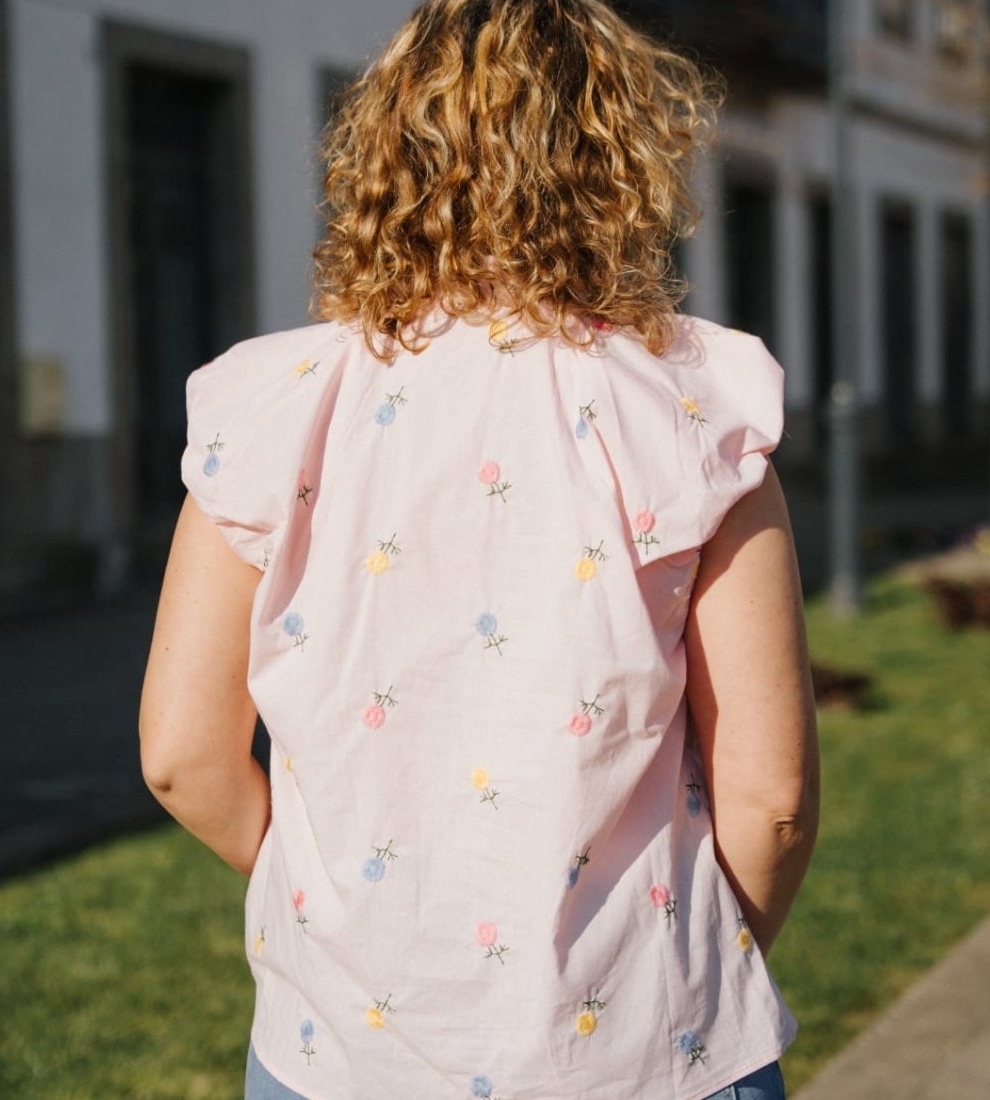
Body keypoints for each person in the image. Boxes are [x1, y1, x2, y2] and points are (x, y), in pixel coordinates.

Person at [138, 2, 820, 1099]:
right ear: (619, 162)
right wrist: (699, 962)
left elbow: (182, 753)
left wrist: (337, 917)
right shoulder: (690, 410)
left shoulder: (271, 410)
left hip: (337, 1054)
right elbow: (772, 791)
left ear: (384, 154)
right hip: (648, 1047)